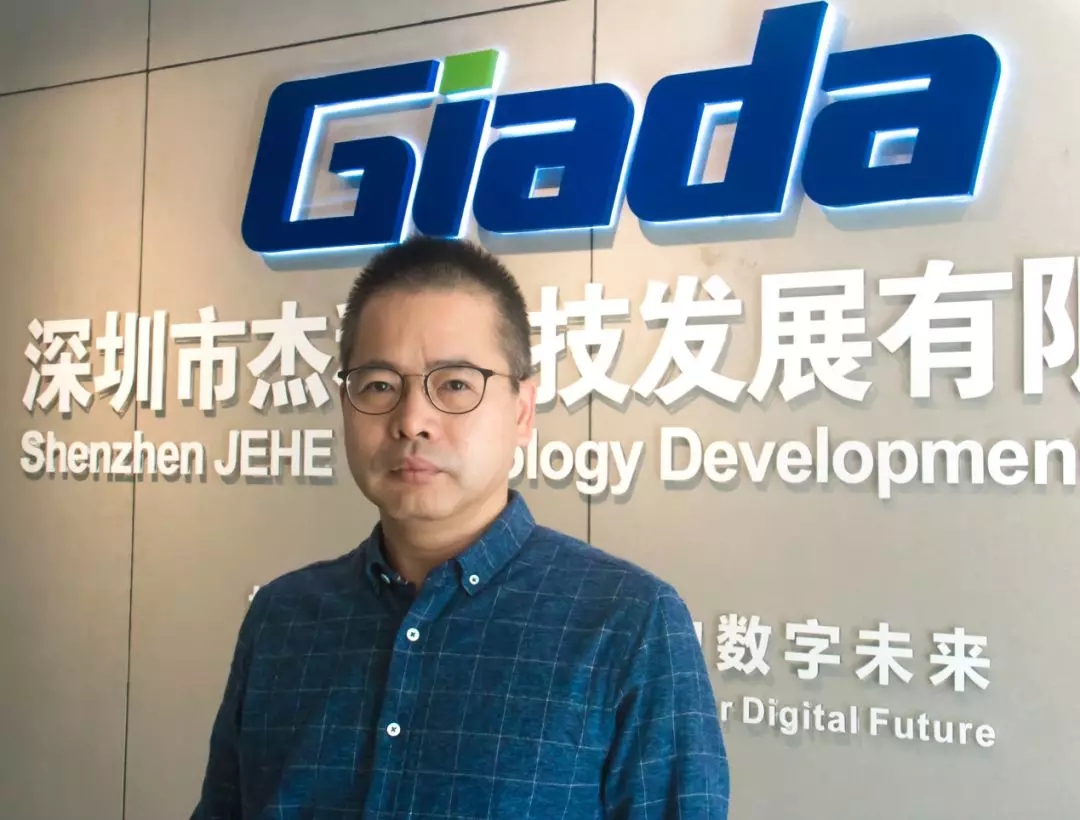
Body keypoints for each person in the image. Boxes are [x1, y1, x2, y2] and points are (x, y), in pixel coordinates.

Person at [190, 236, 730, 819]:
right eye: (379, 385)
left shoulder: (628, 623)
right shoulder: (283, 618)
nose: (411, 421)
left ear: (522, 409)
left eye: (454, 384)